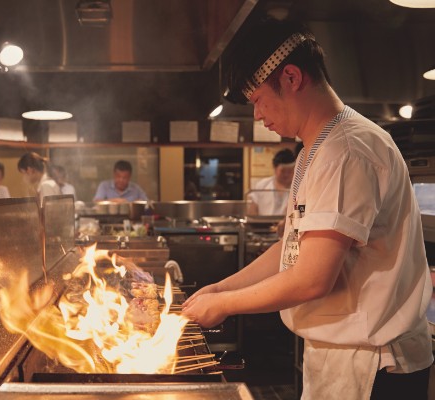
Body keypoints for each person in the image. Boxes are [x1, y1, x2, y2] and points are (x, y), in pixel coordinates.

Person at [182, 18, 433, 400]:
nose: (257, 116)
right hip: (345, 356)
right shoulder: (314, 150)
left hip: (374, 365)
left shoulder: (347, 150)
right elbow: (291, 251)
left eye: (258, 101)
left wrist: (225, 305)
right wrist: (219, 288)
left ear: (292, 78)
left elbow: (313, 278)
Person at [247, 148, 295, 216]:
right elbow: (253, 209)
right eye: (283, 171)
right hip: (264, 224)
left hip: (289, 225)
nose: (286, 174)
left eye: (290, 171)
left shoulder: (298, 187)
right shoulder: (262, 185)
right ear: (275, 168)